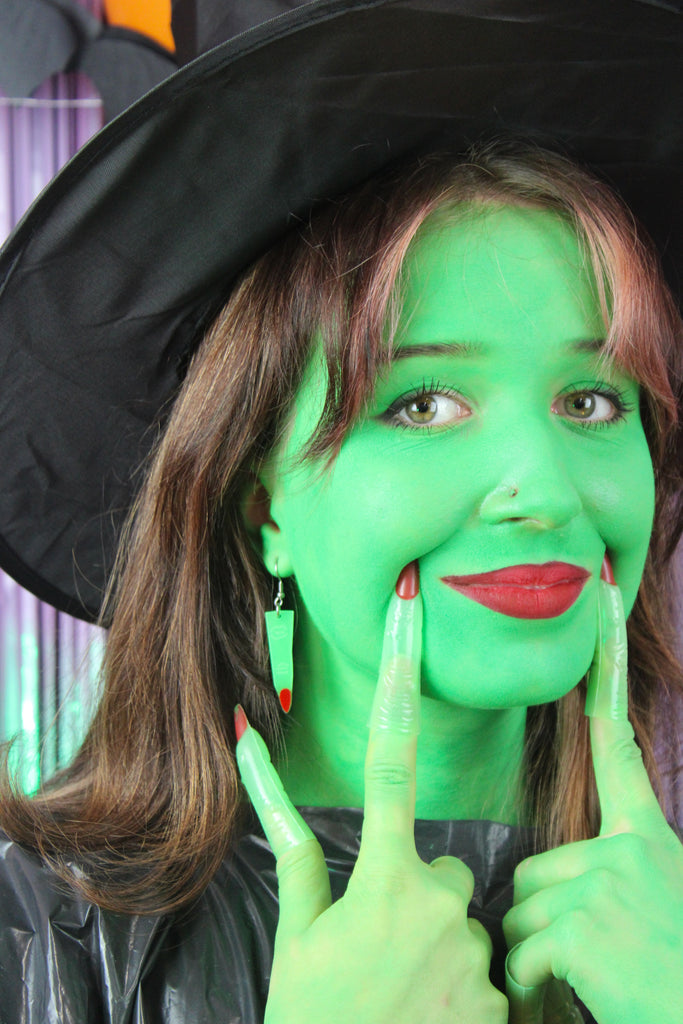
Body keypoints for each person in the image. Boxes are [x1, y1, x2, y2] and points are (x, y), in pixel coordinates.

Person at [0, 3, 681, 1024]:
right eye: (421, 404)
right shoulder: (35, 934)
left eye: (590, 400)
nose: (543, 491)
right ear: (258, 499)